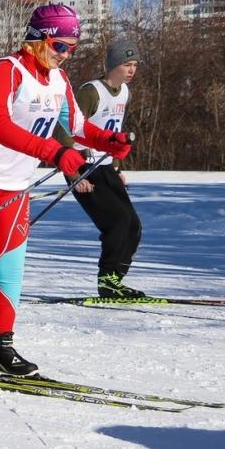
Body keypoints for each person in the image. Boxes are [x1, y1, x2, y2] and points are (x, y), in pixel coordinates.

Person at [0, 4, 134, 379]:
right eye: (61, 46)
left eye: (72, 49)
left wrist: (110, 141)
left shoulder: (60, 82)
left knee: (12, 269)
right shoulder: (6, 69)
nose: (65, 55)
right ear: (40, 39)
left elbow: (78, 127)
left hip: (16, 186)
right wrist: (53, 151)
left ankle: (1, 345)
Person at [68, 39, 144, 298]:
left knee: (133, 224)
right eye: (127, 64)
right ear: (113, 65)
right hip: (83, 165)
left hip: (105, 166)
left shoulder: (124, 92)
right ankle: (107, 282)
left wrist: (117, 166)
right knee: (117, 222)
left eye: (134, 65)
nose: (131, 70)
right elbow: (66, 130)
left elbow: (115, 132)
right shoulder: (91, 91)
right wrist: (73, 174)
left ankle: (115, 280)